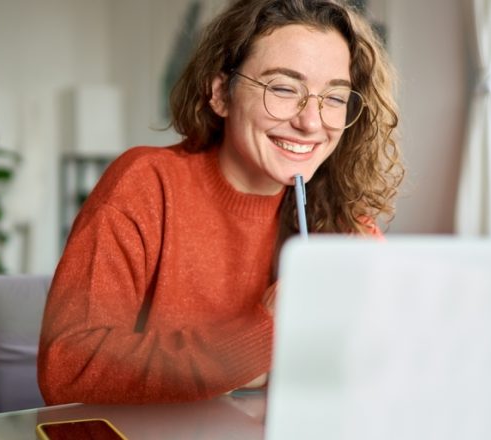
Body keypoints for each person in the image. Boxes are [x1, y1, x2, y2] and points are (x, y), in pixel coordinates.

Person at [37, 0, 403, 405]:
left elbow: (389, 368)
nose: (312, 122)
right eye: (283, 88)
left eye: (334, 98)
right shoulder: (145, 184)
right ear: (220, 94)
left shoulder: (342, 220)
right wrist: (261, 337)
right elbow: (68, 369)